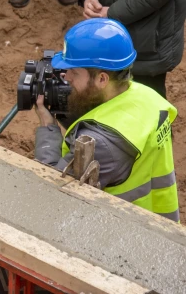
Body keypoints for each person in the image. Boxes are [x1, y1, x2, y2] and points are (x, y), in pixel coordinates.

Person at [34, 19, 179, 222]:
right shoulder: (147, 96)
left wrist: (48, 127)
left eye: (74, 72)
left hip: (121, 232)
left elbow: (49, 194)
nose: (65, 77)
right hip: (158, 218)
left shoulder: (100, 144)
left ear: (102, 79)